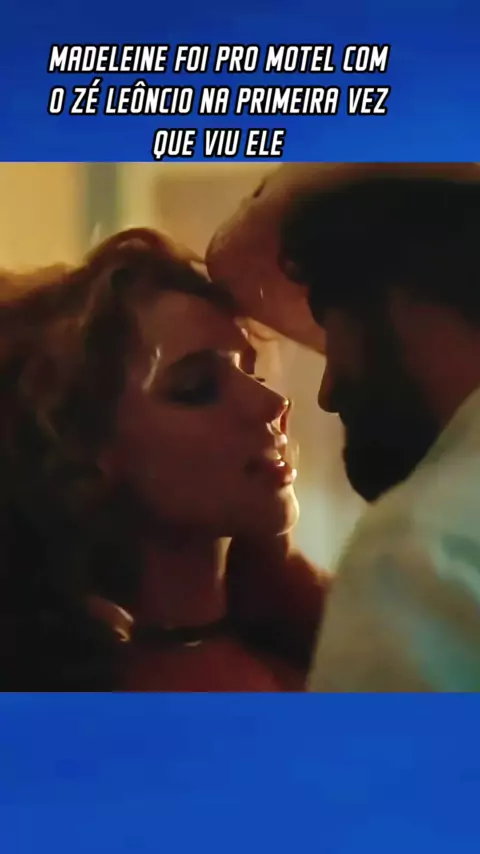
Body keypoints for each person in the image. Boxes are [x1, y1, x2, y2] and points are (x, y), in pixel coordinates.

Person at [0, 227, 329, 692]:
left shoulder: (326, 644)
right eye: (198, 388)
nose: (272, 404)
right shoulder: (69, 699)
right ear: (85, 453)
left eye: (252, 372)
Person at [207, 162, 480, 691]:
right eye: (198, 387)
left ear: (397, 297)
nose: (325, 393)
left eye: (331, 328)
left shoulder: (422, 550)